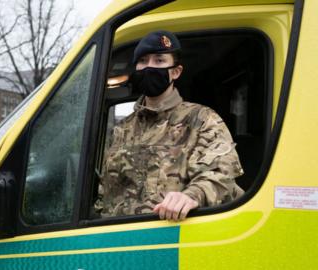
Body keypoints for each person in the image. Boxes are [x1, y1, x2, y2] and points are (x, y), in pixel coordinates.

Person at [97, 30, 244, 221]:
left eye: (159, 61)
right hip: (119, 239)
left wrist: (191, 197)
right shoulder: (122, 128)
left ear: (175, 71)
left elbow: (222, 174)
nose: (149, 67)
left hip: (171, 236)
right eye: (143, 61)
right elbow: (106, 190)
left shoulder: (201, 119)